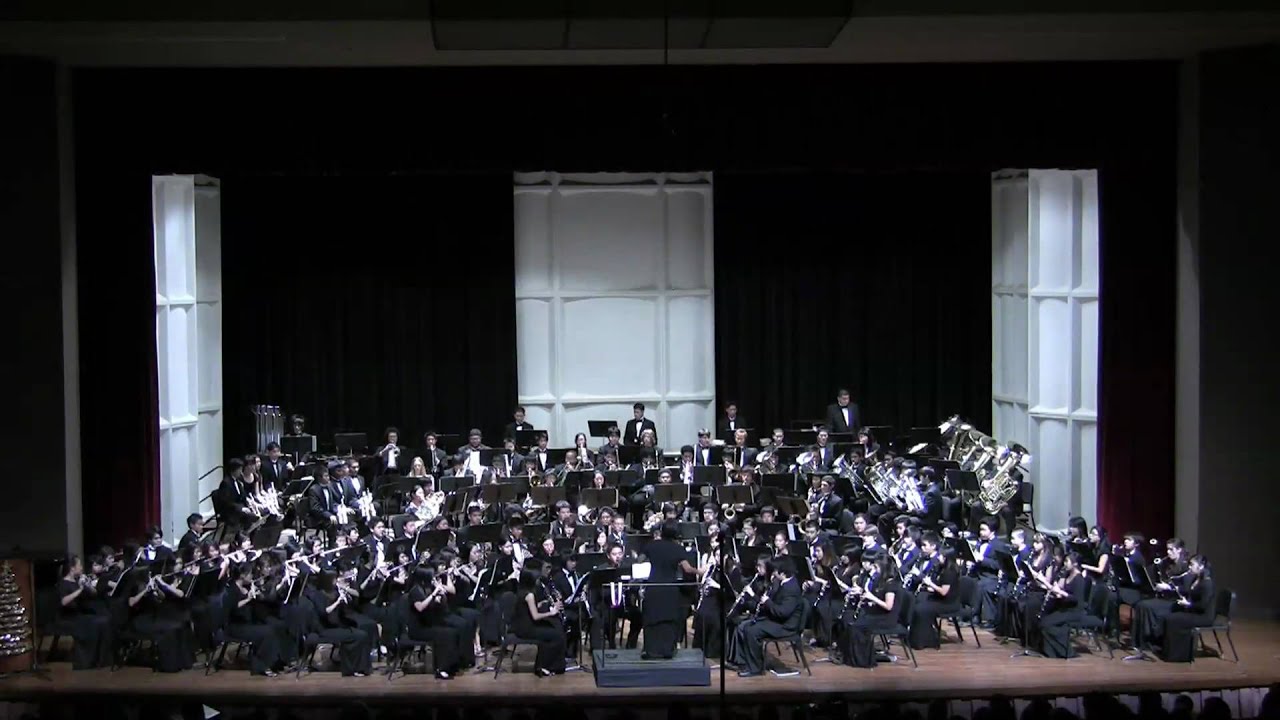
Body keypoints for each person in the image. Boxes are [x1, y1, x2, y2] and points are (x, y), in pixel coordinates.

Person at [728, 556, 804, 677]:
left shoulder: (791, 588)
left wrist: (767, 601)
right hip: (778, 621)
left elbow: (782, 612)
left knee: (752, 631)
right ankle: (749, 663)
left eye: (775, 570)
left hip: (786, 626)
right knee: (748, 626)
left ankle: (755, 668)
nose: (773, 573)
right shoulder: (784, 583)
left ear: (782, 572)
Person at [641, 520, 698, 659]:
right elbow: (688, 569)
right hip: (670, 588)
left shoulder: (652, 545)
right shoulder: (678, 548)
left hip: (653, 586)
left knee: (651, 619)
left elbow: (640, 560)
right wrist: (702, 571)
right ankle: (667, 650)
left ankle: (650, 651)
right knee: (669, 620)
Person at [837, 549, 901, 668]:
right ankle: (849, 655)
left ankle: (863, 660)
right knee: (849, 621)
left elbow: (888, 606)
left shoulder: (890, 583)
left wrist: (871, 598)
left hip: (886, 618)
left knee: (857, 625)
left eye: (876, 568)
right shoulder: (879, 580)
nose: (874, 570)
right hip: (877, 613)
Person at [55, 555, 114, 669]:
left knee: (105, 621)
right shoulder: (63, 583)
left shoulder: (78, 580)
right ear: (72, 568)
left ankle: (102, 660)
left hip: (80, 614)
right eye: (79, 565)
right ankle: (86, 661)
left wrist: (87, 585)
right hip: (68, 617)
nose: (81, 568)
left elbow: (94, 594)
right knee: (94, 624)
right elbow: (64, 601)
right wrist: (80, 590)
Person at [907, 533, 961, 650]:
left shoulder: (949, 572)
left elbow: (944, 592)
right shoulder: (942, 569)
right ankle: (919, 638)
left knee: (921, 609)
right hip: (941, 599)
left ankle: (926, 640)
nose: (939, 557)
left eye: (941, 556)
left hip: (949, 604)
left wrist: (930, 584)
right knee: (919, 606)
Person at [512, 569, 566, 676]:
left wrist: (541, 603)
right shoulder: (530, 595)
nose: (537, 581)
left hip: (521, 626)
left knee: (553, 631)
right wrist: (552, 612)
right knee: (557, 635)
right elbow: (536, 616)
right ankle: (545, 666)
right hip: (527, 629)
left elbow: (526, 608)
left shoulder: (521, 591)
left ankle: (546, 665)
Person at [1035, 552, 1088, 658]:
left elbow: (1076, 599)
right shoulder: (1067, 574)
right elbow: (1059, 589)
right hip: (1065, 608)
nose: (1064, 564)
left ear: (1075, 564)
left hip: (1074, 611)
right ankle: (1051, 651)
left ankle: (1064, 651)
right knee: (1043, 622)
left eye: (1067, 561)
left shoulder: (1079, 579)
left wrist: (1061, 592)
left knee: (1046, 624)